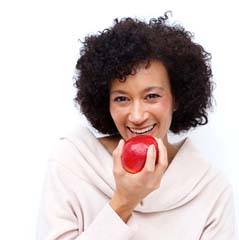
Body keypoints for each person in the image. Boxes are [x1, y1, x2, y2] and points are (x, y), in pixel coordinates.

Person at [37, 12, 237, 239]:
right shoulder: (72, 162)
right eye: (122, 99)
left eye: (152, 96)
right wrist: (124, 201)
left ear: (176, 98)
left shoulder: (211, 190)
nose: (137, 116)